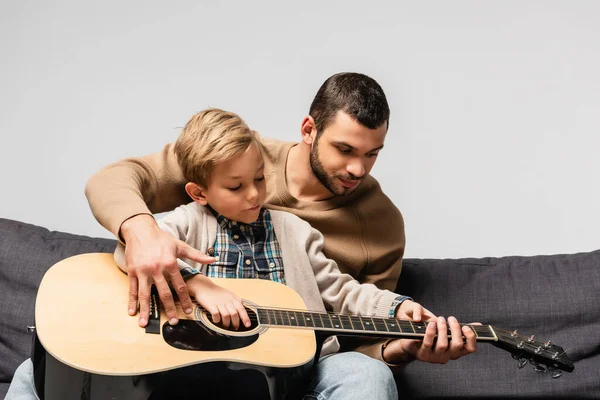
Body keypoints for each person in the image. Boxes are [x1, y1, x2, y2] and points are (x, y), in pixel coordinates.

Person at [109, 107, 454, 399]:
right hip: (212, 376)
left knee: (367, 373)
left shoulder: (295, 230)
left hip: (301, 375)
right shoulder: (188, 222)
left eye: (259, 179)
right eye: (235, 186)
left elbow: (343, 291)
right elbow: (133, 251)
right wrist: (198, 284)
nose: (254, 195)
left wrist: (398, 308)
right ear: (199, 192)